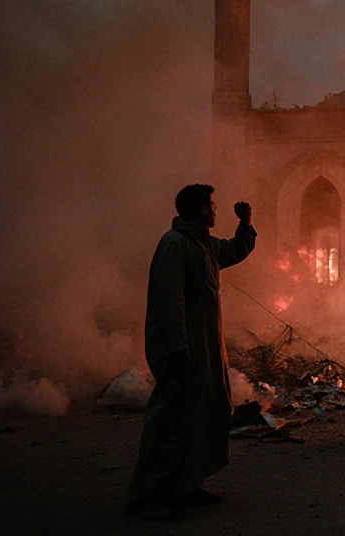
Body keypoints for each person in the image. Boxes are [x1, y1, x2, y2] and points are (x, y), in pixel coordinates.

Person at [126, 184, 255, 521]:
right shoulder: (174, 245)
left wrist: (245, 223)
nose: (216, 211)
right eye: (212, 206)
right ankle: (148, 496)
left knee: (204, 413)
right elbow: (169, 303)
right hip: (184, 348)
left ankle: (187, 485)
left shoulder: (203, 244)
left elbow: (235, 250)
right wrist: (178, 348)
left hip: (207, 347)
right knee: (171, 419)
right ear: (200, 210)